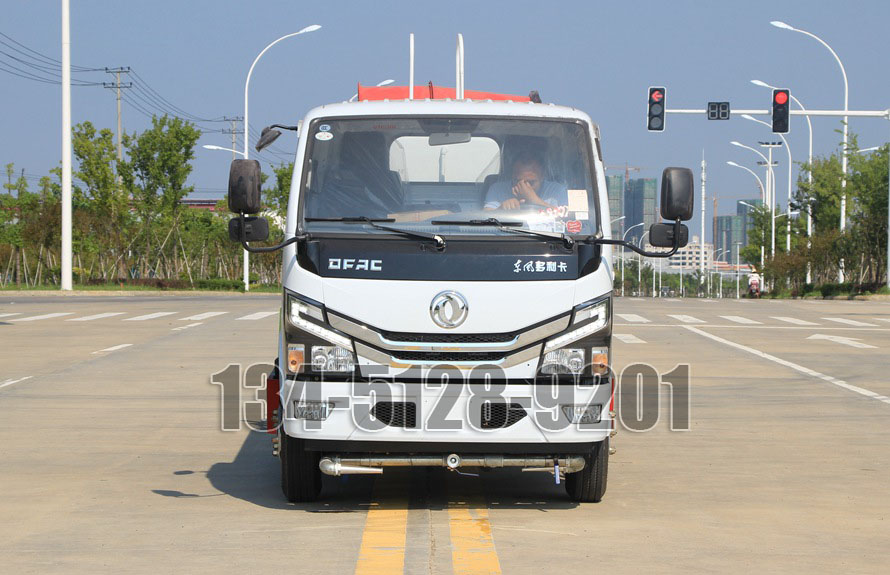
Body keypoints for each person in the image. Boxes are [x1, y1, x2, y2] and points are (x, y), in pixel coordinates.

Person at [483, 152, 568, 211]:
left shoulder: (557, 191)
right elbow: (485, 216)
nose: (524, 187)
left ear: (542, 177)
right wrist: (501, 209)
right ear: (512, 175)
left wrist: (534, 200)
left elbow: (568, 218)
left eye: (531, 182)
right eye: (518, 181)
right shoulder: (497, 189)